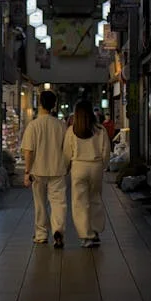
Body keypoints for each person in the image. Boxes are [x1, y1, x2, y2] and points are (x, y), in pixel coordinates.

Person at [21, 90, 68, 248]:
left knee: (40, 203)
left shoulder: (33, 125)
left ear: (40, 103)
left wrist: (27, 172)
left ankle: (41, 235)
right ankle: (58, 232)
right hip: (58, 169)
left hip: (38, 171)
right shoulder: (61, 125)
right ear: (54, 105)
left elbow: (29, 150)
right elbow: (67, 149)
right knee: (58, 203)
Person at [63, 100, 111, 248]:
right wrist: (102, 165)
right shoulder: (100, 129)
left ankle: (86, 236)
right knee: (95, 198)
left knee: (80, 202)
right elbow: (106, 151)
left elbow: (66, 153)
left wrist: (67, 168)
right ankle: (95, 230)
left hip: (78, 167)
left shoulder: (72, 130)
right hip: (95, 166)